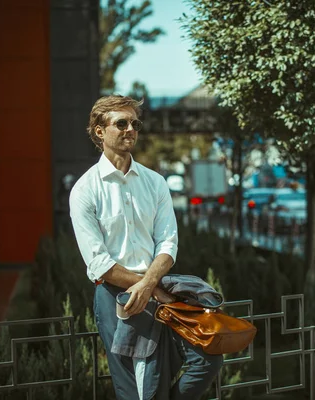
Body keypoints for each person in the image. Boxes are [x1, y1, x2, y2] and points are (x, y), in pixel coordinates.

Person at [69, 95, 223, 399]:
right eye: (121, 123)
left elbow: (168, 243)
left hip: (162, 290)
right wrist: (148, 288)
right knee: (138, 389)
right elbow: (99, 263)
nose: (130, 129)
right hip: (117, 297)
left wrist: (151, 285)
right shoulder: (85, 190)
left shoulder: (155, 182)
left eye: (135, 123)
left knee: (207, 358)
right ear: (100, 131)